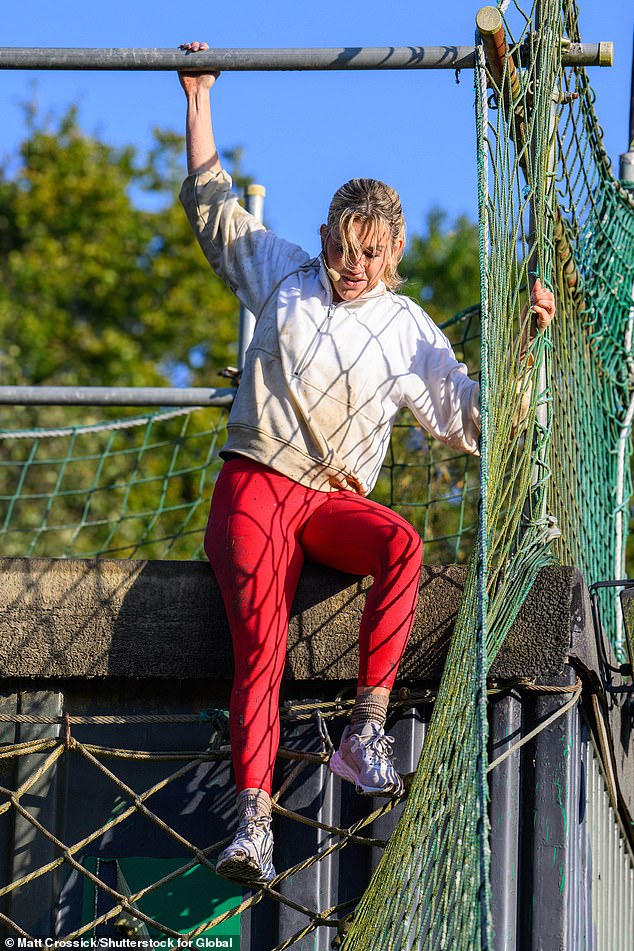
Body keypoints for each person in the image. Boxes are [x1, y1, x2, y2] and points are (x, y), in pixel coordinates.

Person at [177, 41, 555, 887]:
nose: (356, 265)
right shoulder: (285, 275)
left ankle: (367, 728)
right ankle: (253, 822)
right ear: (324, 238)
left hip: (329, 501)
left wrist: (525, 344)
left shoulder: (408, 326)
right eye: (347, 247)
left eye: (374, 252)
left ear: (394, 255)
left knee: (403, 544)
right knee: (261, 644)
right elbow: (215, 215)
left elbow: (467, 416)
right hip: (258, 482)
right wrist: (199, 101)